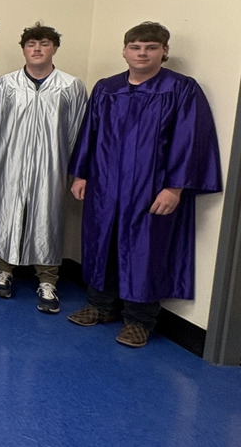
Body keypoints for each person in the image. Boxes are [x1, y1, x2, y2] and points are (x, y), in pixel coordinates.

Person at [67, 22, 221, 348]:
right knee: (102, 242)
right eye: (135, 47)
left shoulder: (181, 89)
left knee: (145, 250)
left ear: (164, 51)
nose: (141, 53)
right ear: (124, 51)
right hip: (105, 184)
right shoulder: (107, 88)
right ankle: (100, 306)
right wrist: (80, 173)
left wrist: (175, 187)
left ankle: (139, 320)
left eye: (150, 47)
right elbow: (89, 133)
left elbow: (190, 140)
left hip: (150, 188)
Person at [0, 23, 87, 313]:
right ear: (23, 49)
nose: (37, 49)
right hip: (12, 163)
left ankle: (47, 280)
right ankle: (4, 270)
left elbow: (77, 129)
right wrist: (2, 159)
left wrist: (66, 164)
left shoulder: (70, 86)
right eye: (31, 44)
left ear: (54, 48)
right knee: (8, 214)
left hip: (52, 164)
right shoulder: (6, 85)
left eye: (44, 43)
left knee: (49, 217)